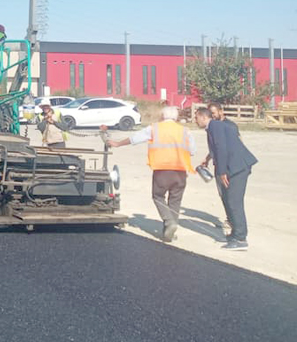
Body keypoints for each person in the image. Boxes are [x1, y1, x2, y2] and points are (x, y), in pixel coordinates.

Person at [107, 106, 195, 243]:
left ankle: (169, 222)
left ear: (162, 116)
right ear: (176, 117)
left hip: (162, 170)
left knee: (158, 196)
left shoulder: (155, 128)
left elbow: (135, 138)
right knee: (175, 200)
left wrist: (117, 144)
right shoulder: (185, 131)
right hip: (181, 171)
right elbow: (192, 150)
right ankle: (169, 231)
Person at [195, 107, 257, 251]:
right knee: (229, 199)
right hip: (233, 166)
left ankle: (241, 239)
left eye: (196, 117)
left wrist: (222, 171)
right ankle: (235, 233)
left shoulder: (215, 126)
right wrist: (208, 159)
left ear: (204, 117)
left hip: (237, 167)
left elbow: (221, 147)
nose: (195, 120)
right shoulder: (214, 127)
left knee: (234, 202)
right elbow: (218, 148)